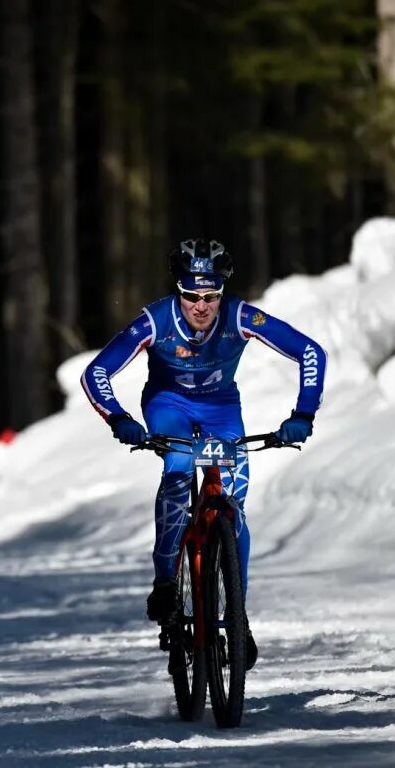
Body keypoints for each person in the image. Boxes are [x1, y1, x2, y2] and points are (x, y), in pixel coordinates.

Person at [81, 239, 327, 670]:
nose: (200, 306)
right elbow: (96, 371)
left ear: (221, 292)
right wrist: (118, 418)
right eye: (191, 296)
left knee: (234, 508)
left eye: (210, 296)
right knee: (178, 469)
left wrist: (303, 413)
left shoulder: (239, 316)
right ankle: (165, 584)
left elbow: (310, 352)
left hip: (221, 411)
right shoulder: (156, 320)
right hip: (168, 407)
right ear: (178, 291)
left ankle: (237, 616)